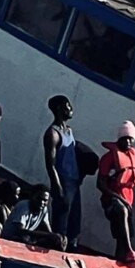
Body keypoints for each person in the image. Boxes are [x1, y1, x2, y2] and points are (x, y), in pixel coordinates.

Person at [98, 121, 135, 263]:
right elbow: (100, 184)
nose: (129, 142)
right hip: (112, 200)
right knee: (120, 211)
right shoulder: (109, 157)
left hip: (128, 199)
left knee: (123, 235)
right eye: (125, 138)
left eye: (131, 139)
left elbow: (134, 175)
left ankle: (121, 261)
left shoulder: (132, 156)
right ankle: (130, 250)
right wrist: (118, 198)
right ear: (119, 138)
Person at [42, 95, 82, 250]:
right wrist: (57, 186)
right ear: (59, 108)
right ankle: (57, 252)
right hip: (63, 182)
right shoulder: (52, 133)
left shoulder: (69, 131)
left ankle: (72, 250)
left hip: (74, 182)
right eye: (68, 106)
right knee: (61, 223)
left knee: (74, 222)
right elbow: (50, 164)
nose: (71, 109)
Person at [2, 185, 66, 251]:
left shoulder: (44, 209)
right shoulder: (23, 205)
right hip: (10, 240)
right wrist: (48, 235)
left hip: (26, 241)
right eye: (39, 198)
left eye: (45, 200)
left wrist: (58, 239)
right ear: (32, 196)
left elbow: (49, 232)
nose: (42, 202)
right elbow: (21, 231)